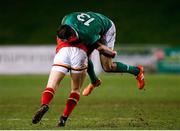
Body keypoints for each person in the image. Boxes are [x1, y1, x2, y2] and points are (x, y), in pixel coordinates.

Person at [32, 18, 116, 126]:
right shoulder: (86, 34)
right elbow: (99, 47)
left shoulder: (61, 32)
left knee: (51, 85)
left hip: (63, 52)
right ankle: (63, 118)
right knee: (75, 90)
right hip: (79, 54)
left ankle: (44, 104)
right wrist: (112, 53)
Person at [81, 12, 145, 96]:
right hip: (93, 28)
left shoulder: (86, 34)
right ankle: (95, 81)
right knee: (83, 57)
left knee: (108, 67)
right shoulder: (68, 27)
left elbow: (98, 46)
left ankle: (137, 71)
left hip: (106, 29)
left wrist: (109, 52)